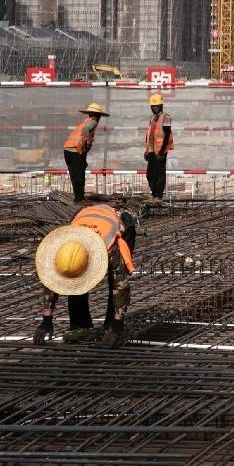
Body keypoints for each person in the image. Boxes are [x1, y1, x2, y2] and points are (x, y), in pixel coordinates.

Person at [33, 200, 138, 345]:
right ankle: (80, 326)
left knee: (114, 279)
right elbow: (51, 282)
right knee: (74, 277)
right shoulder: (60, 248)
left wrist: (117, 324)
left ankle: (110, 326)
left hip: (120, 226)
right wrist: (46, 319)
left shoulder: (109, 249)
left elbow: (120, 286)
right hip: (84, 216)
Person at [61, 103, 108, 203]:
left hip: (68, 150)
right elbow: (85, 130)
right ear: (97, 115)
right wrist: (87, 142)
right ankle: (79, 199)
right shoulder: (93, 122)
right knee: (79, 176)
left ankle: (79, 198)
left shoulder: (85, 121)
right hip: (75, 151)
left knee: (75, 176)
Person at [143, 92, 173, 203]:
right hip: (151, 150)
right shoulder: (152, 118)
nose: (154, 108)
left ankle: (158, 196)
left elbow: (167, 135)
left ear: (161, 106)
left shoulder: (166, 118)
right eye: (153, 106)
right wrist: (146, 151)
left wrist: (161, 152)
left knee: (159, 174)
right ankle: (154, 193)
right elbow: (149, 134)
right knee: (150, 174)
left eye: (156, 106)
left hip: (160, 151)